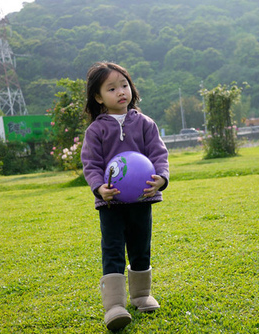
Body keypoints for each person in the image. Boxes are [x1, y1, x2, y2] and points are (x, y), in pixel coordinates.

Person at [80, 61, 169, 331]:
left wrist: (161, 179)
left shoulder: (144, 124)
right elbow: (91, 164)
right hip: (111, 203)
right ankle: (115, 305)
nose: (121, 92)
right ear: (98, 97)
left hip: (142, 198)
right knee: (113, 249)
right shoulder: (96, 130)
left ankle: (142, 295)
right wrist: (99, 188)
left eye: (124, 85)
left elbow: (158, 154)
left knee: (141, 245)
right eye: (111, 88)